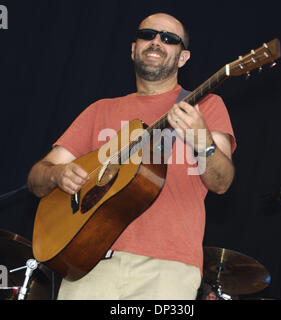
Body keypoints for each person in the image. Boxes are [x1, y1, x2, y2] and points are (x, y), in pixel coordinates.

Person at [27, 12, 236, 300]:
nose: (156, 41)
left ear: (183, 57)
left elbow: (221, 182)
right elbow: (37, 178)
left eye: (169, 39)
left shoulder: (205, 105)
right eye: (147, 35)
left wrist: (202, 139)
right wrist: (57, 174)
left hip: (167, 269)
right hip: (88, 264)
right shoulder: (100, 110)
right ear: (133, 48)